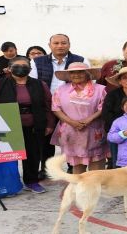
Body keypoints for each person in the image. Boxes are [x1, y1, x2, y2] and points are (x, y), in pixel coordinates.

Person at [0, 56, 54, 193]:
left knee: (33, 154)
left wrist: (50, 124)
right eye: (17, 65)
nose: (21, 68)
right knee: (9, 156)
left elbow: (48, 105)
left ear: (30, 69)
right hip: (8, 125)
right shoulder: (0, 84)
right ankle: (11, 184)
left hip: (34, 125)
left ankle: (32, 181)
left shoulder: (40, 84)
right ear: (9, 69)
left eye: (25, 65)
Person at [29, 33, 91, 178]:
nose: (60, 46)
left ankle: (73, 166)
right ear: (49, 45)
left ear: (69, 45)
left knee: (74, 137)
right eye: (56, 43)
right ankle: (46, 169)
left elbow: (89, 83)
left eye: (63, 43)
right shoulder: (37, 61)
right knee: (45, 139)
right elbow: (33, 84)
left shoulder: (80, 60)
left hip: (73, 106)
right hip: (47, 106)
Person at [51, 62, 108, 174]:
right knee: (77, 168)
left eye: (80, 72)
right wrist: (72, 122)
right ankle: (78, 190)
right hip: (71, 132)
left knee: (97, 169)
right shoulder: (61, 90)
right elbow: (56, 108)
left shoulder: (101, 89)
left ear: (88, 74)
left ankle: (94, 190)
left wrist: (88, 119)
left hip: (94, 131)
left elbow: (103, 108)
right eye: (72, 72)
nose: (76, 74)